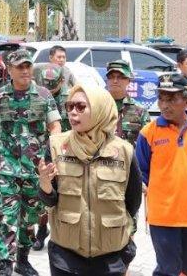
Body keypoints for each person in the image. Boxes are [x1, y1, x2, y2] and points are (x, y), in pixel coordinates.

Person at [38, 85, 141, 276]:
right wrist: (44, 185)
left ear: (100, 109)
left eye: (80, 107)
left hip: (110, 258)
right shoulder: (57, 146)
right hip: (66, 257)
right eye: (69, 107)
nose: (72, 112)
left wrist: (127, 243)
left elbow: (133, 202)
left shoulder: (124, 151)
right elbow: (49, 201)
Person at [0, 49, 61, 276]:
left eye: (28, 66)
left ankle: (22, 260)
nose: (25, 70)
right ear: (10, 70)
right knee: (6, 217)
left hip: (35, 170)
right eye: (20, 67)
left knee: (29, 218)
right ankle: (4, 263)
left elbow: (55, 126)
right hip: (7, 170)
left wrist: (51, 158)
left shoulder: (44, 95)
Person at [136, 73, 187, 276]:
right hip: (163, 217)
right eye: (161, 98)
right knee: (170, 270)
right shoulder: (148, 133)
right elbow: (141, 173)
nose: (164, 105)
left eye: (171, 99)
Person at [31, 62, 70, 251]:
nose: (48, 89)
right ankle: (41, 230)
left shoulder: (70, 99)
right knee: (40, 193)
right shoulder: (37, 95)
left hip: (63, 153)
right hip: (38, 151)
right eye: (45, 84)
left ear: (61, 82)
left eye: (53, 85)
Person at [105, 60, 150, 147]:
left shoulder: (140, 110)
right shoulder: (98, 106)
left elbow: (147, 141)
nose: (115, 81)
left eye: (120, 77)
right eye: (111, 77)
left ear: (129, 80)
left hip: (129, 158)